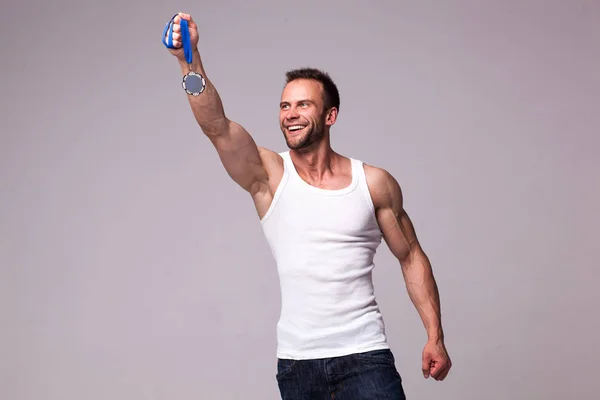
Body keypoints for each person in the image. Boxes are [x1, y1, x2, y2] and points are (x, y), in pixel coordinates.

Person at [164, 12, 452, 399]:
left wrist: (434, 335)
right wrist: (189, 60)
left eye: (303, 105)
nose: (291, 114)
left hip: (365, 356)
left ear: (330, 116)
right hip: (298, 365)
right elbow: (217, 126)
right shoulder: (269, 176)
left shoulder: (373, 183)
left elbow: (411, 255)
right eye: (285, 106)